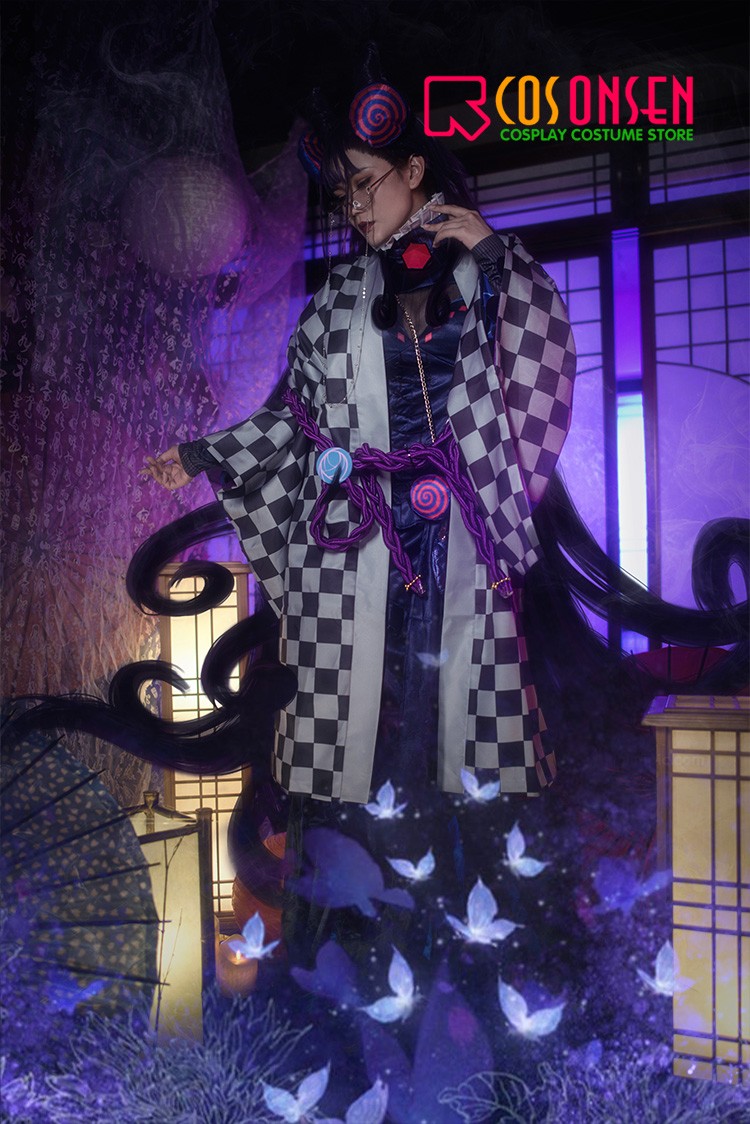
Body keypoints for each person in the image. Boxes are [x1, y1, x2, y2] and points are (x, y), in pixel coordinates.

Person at [141, 74, 577, 966]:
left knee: (462, 729)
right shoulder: (339, 296)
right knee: (347, 730)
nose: (355, 205)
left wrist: (495, 255)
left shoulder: (484, 268)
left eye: (368, 182)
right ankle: (341, 946)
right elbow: (296, 417)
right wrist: (203, 454)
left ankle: (473, 950)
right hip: (357, 536)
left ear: (415, 171)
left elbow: (541, 364)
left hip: (456, 530)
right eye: (344, 191)